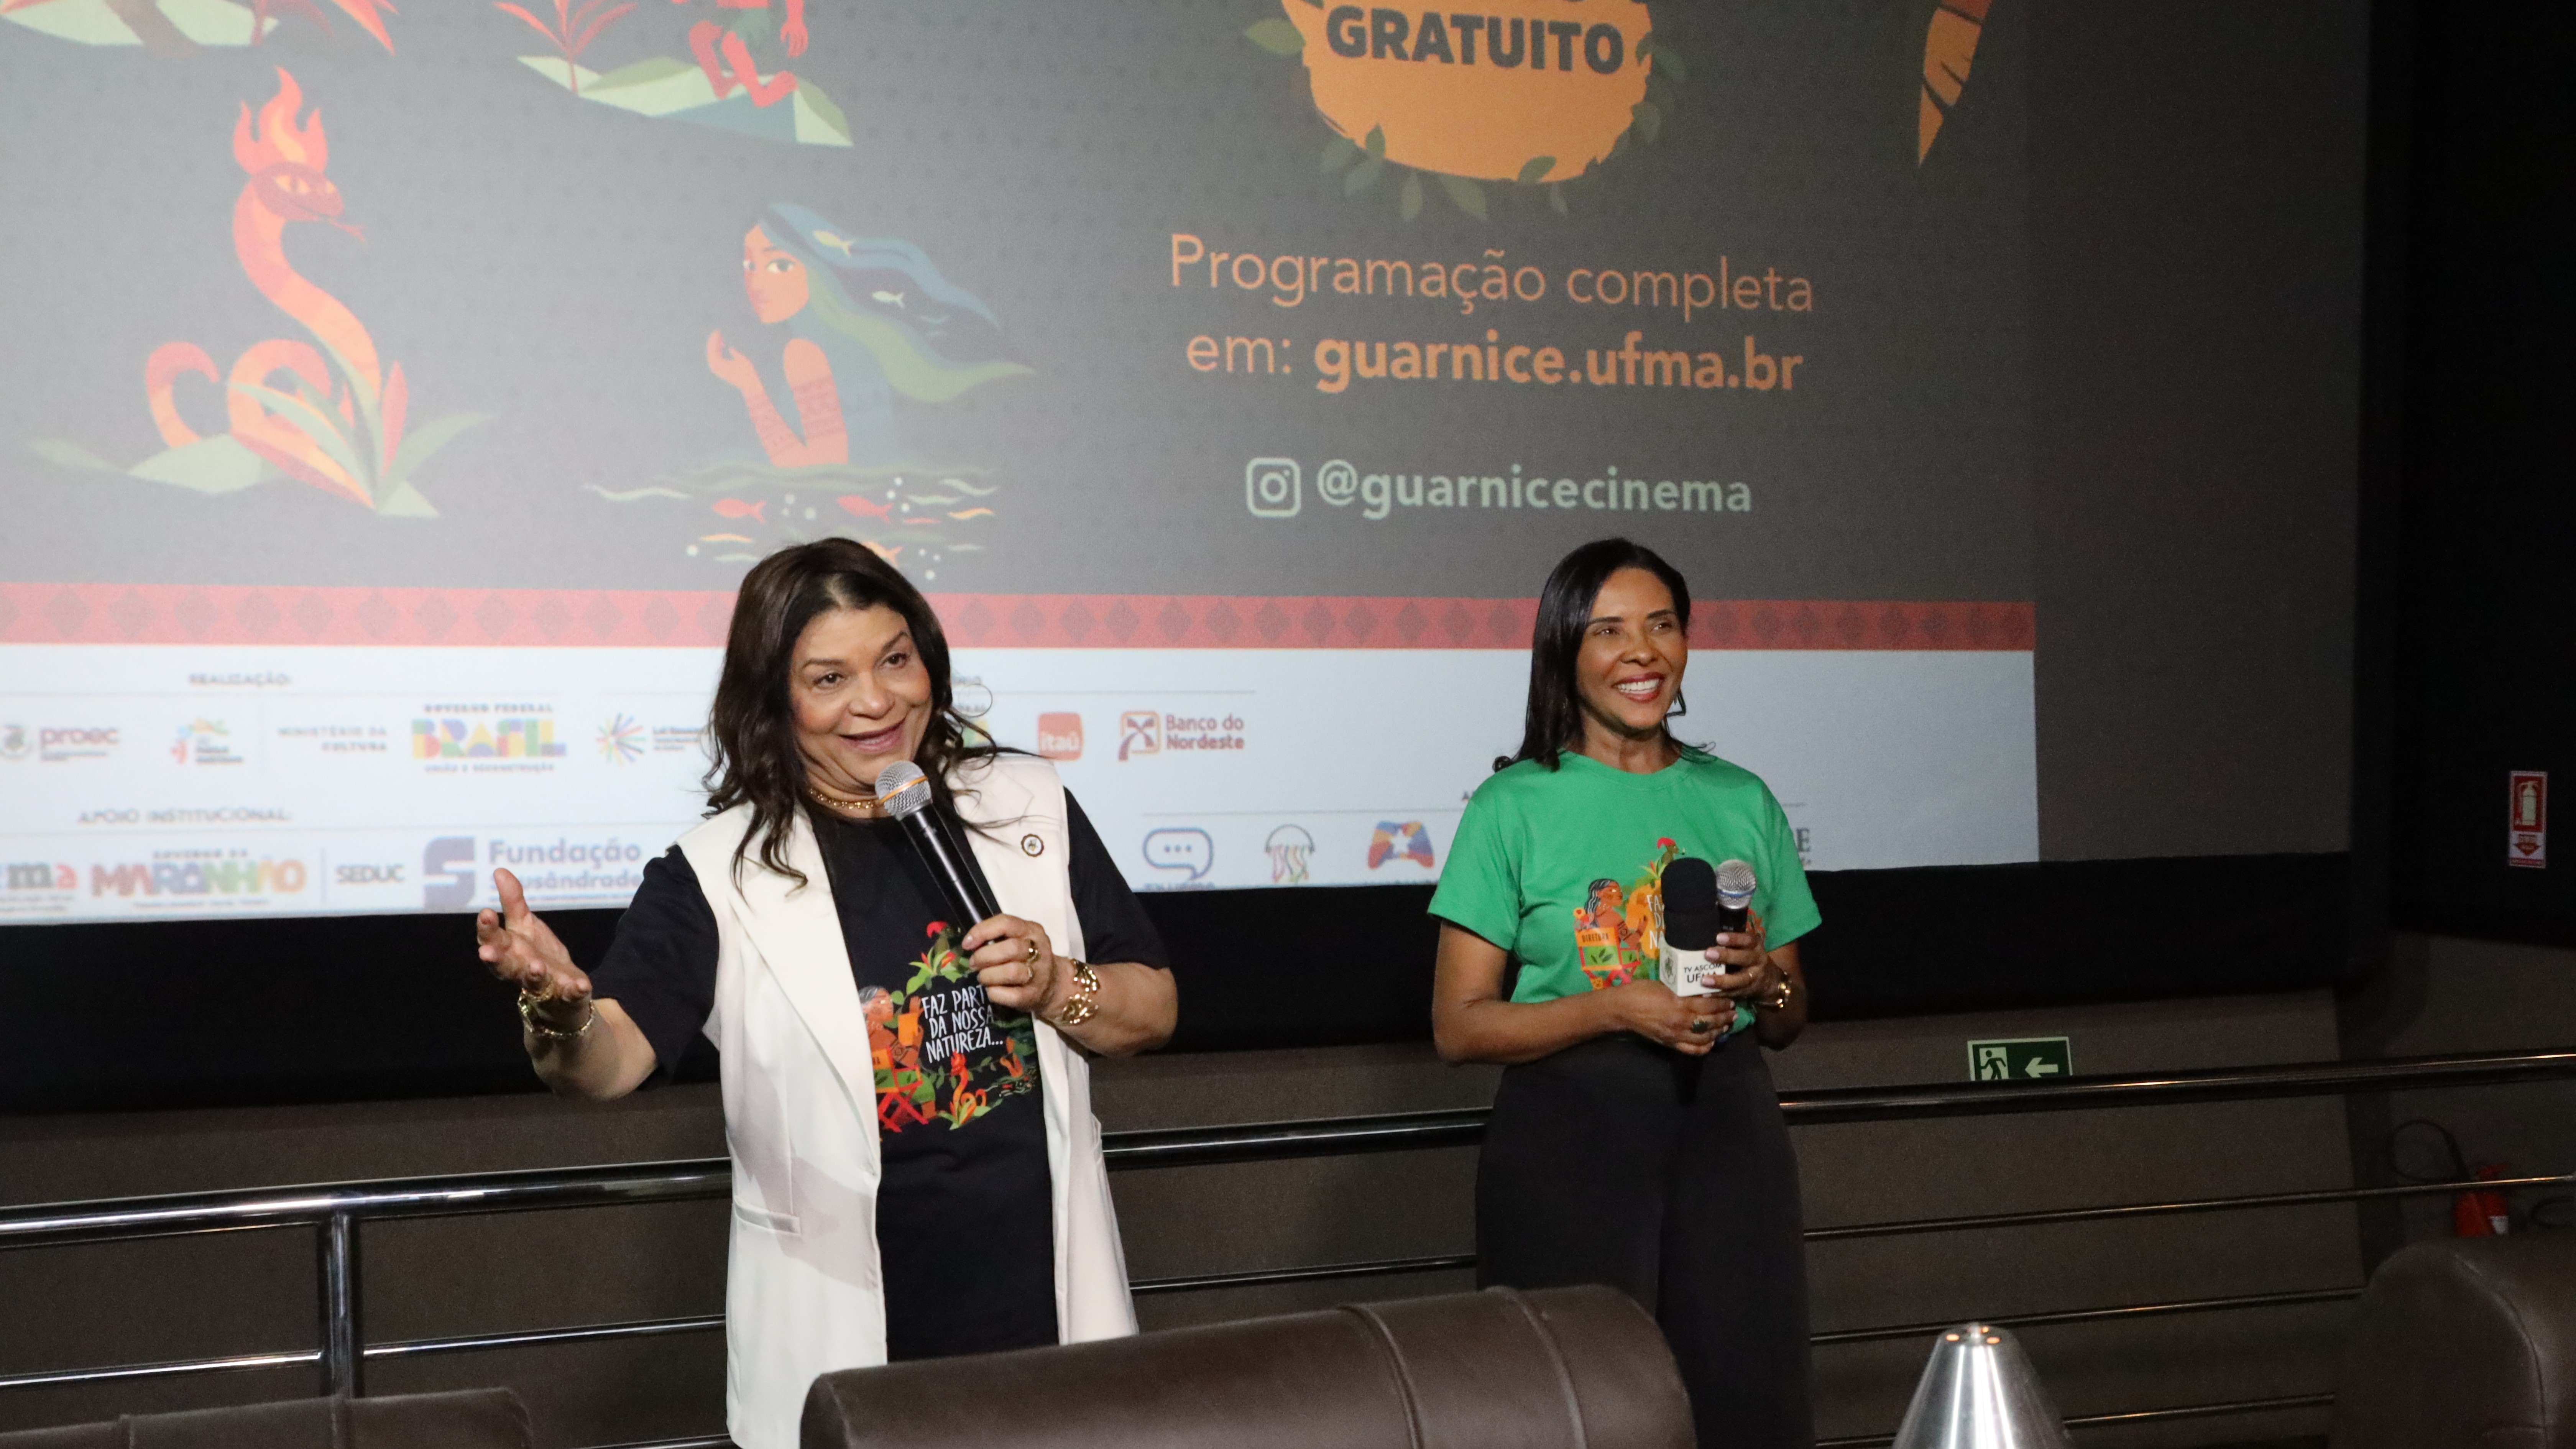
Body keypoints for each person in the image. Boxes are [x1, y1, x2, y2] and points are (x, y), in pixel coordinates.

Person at [474, 538, 1177, 1449]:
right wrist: (559, 1007)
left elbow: (1152, 1009)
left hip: (1048, 1322)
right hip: (846, 1347)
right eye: (830, 679)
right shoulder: (717, 873)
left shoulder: (1028, 805)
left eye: (895, 660)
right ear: (776, 700)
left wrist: (1055, 985)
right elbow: (605, 1065)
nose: (877, 702)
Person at [1428, 538, 1818, 1449]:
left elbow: (1791, 1017)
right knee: (1580, 1406)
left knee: (1747, 1401)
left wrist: (1765, 982)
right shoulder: (1511, 807)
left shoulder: (1742, 799)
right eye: (1608, 631)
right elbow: (1459, 1026)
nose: (1641, 651)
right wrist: (1615, 1008)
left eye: (1661, 625)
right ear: (1564, 649)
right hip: (1571, 1138)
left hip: (1730, 1130)